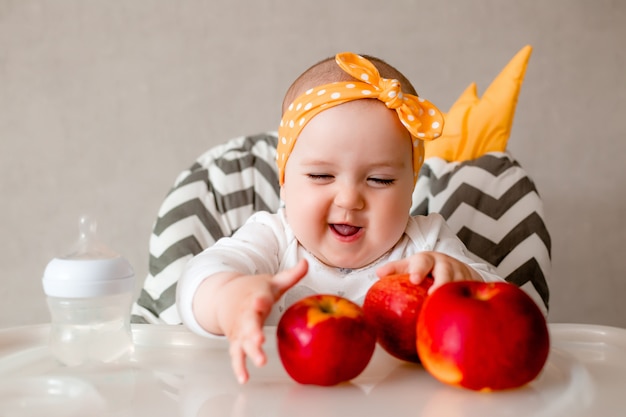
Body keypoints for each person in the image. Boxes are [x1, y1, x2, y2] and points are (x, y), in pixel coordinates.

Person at [177, 52, 504, 384]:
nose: (349, 199)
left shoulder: (426, 245)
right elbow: (199, 277)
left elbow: (505, 308)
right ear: (285, 182)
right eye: (321, 175)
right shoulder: (273, 239)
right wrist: (230, 300)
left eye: (380, 180)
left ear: (411, 189)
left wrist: (464, 280)